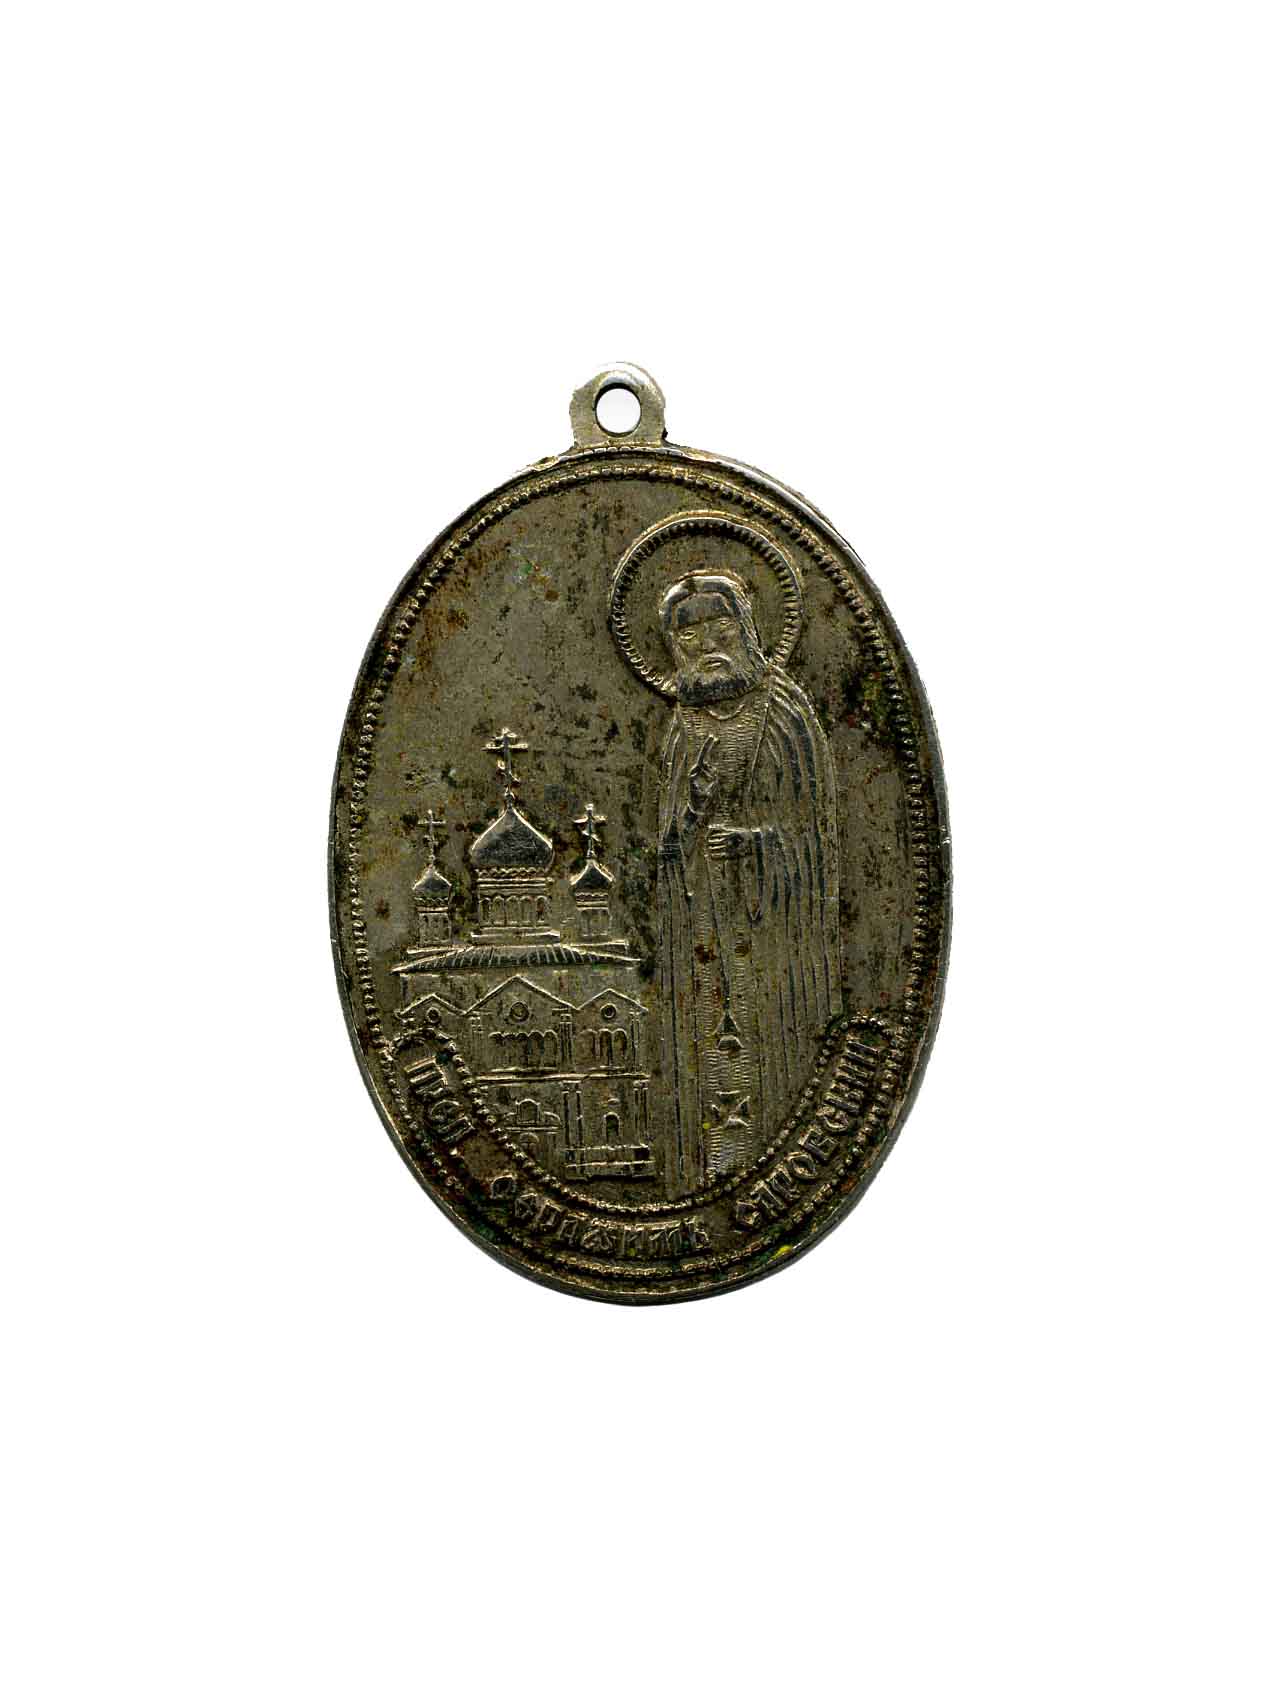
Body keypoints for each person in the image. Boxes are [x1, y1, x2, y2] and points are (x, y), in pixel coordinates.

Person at [654, 570, 842, 1189]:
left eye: (719, 625)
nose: (706, 643)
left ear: (746, 627)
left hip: (771, 944)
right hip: (703, 937)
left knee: (772, 1068)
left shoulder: (784, 714)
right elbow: (669, 849)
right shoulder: (682, 729)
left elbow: (814, 837)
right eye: (688, 635)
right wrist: (689, 818)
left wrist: (755, 844)